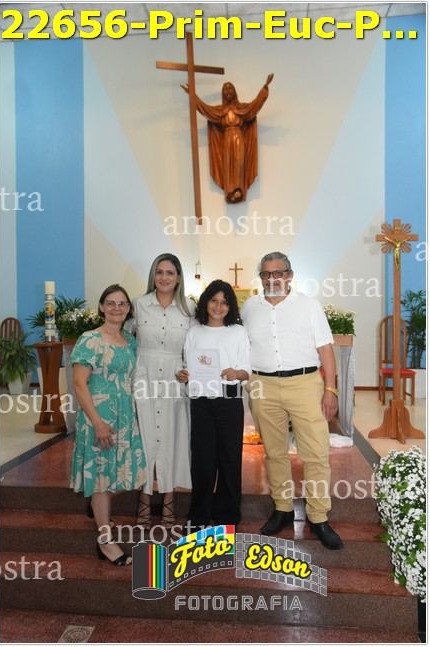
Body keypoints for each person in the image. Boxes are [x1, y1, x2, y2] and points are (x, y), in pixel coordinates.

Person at [241, 252, 343, 550]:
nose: (272, 279)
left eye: (278, 273)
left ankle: (319, 516)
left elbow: (326, 350)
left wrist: (331, 389)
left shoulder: (308, 306)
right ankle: (283, 508)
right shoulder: (250, 308)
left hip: (305, 384)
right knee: (274, 453)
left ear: (289, 276)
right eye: (266, 274)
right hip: (263, 385)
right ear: (261, 277)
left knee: (316, 453)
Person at [71, 284, 147, 566]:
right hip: (98, 417)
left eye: (122, 304)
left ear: (128, 309)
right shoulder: (90, 339)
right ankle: (105, 541)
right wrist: (97, 423)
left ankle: (96, 502)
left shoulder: (130, 340)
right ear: (102, 307)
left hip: (124, 417)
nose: (117, 308)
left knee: (127, 471)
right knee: (102, 477)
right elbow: (79, 384)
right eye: (111, 303)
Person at [178, 280, 251, 527]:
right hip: (201, 397)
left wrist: (237, 373)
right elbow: (187, 366)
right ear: (205, 302)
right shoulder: (194, 332)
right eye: (214, 301)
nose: (218, 307)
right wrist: (184, 375)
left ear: (231, 307)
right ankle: (199, 513)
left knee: (230, 457)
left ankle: (227, 515)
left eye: (224, 302)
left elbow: (247, 369)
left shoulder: (238, 332)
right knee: (202, 457)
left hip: (229, 397)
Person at [132, 254, 194, 529]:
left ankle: (169, 501)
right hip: (143, 377)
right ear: (153, 276)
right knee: (144, 439)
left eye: (170, 272)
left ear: (178, 277)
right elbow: (125, 338)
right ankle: (143, 501)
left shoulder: (189, 308)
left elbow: (195, 346)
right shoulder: (139, 305)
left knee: (172, 439)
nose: (164, 277)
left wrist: (189, 370)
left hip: (174, 379)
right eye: (159, 272)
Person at [182, 75, 273, 203]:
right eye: (225, 90)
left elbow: (254, 106)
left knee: (239, 163)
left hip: (239, 138)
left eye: (230, 89)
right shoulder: (220, 111)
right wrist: (193, 96)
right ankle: (230, 191)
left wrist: (264, 88)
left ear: (234, 92)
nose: (228, 91)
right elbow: (205, 109)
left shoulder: (242, 109)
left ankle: (239, 190)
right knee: (228, 165)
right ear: (223, 94)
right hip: (226, 139)